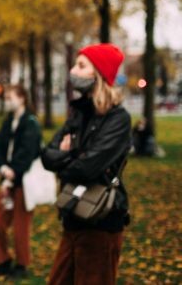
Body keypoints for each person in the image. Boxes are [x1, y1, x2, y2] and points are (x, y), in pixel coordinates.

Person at [42, 43, 130, 285]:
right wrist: (75, 157)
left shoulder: (117, 119)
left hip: (101, 221)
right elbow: (47, 156)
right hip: (73, 217)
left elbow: (87, 168)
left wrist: (68, 155)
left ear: (98, 74)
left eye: (81, 66)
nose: (73, 71)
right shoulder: (79, 112)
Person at [0, 84, 41, 279]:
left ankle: (22, 266)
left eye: (10, 97)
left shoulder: (31, 123)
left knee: (21, 227)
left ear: (22, 98)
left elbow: (26, 154)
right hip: (7, 181)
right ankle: (3, 261)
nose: (7, 101)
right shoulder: (8, 121)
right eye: (6, 97)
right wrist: (3, 169)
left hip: (23, 183)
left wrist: (12, 175)